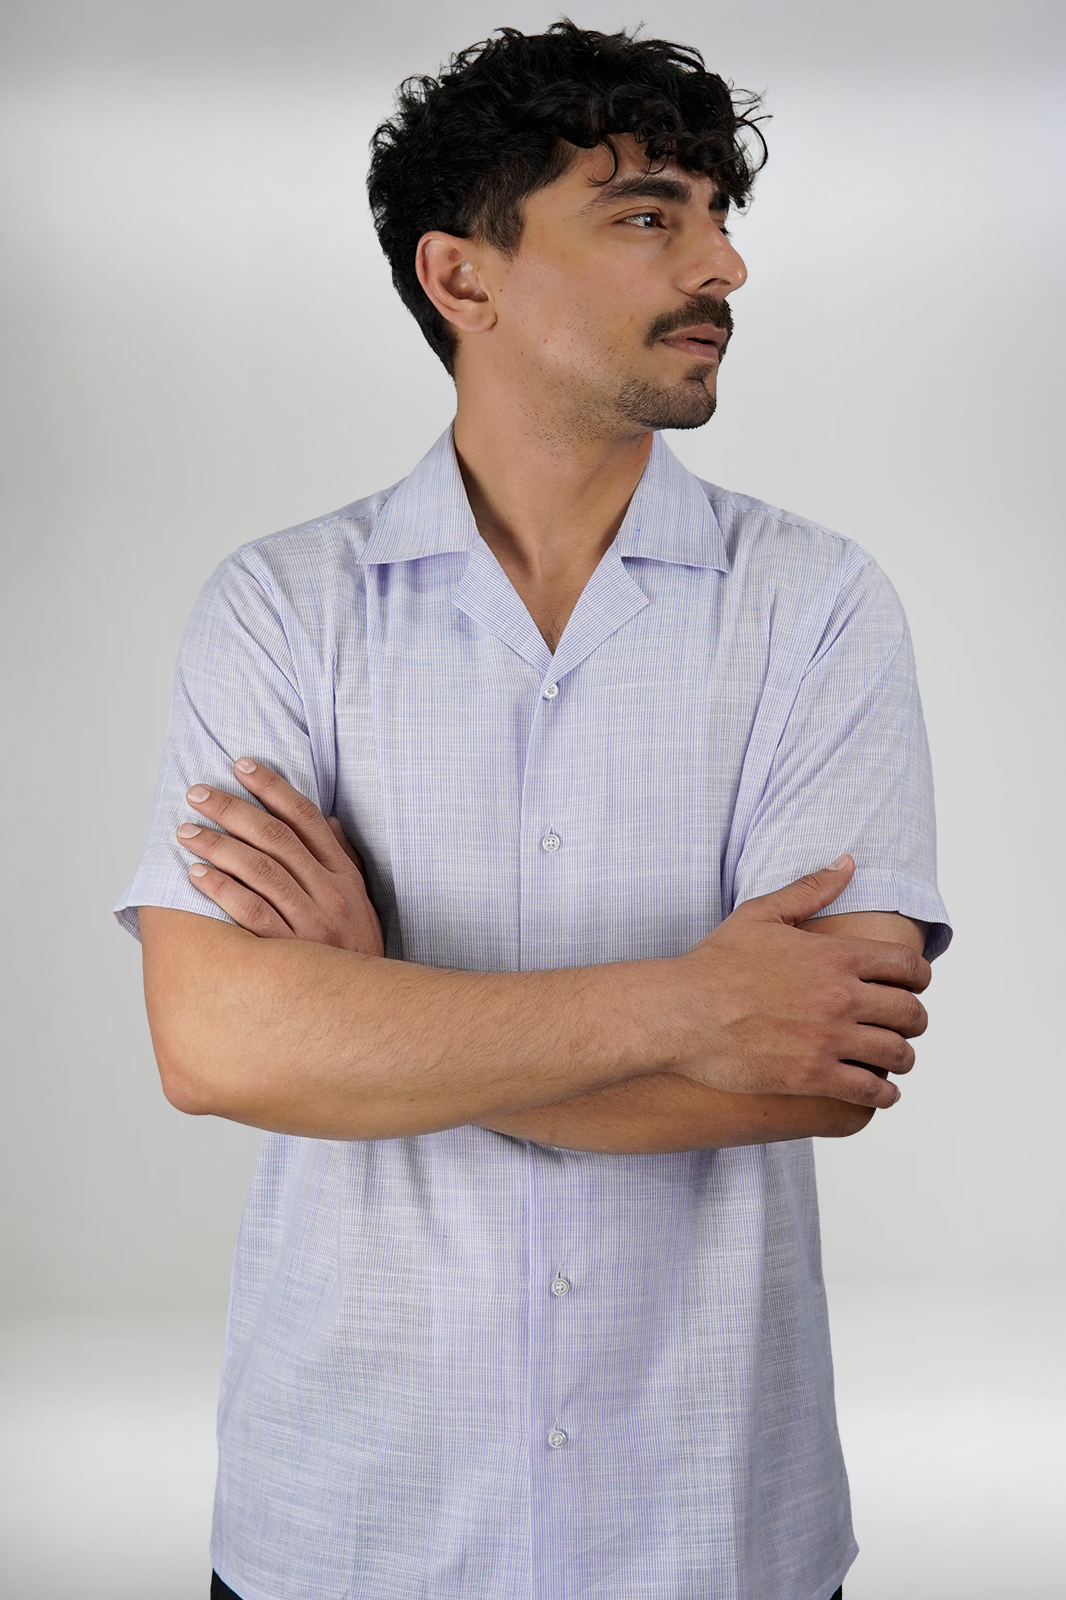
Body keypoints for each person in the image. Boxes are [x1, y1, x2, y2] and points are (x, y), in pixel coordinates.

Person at [117, 21, 951, 1600]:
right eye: (646, 213)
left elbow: (820, 1066)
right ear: (462, 276)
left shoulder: (816, 604)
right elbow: (216, 1047)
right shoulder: (282, 608)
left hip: (705, 1527)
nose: (722, 266)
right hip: (348, 1522)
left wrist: (367, 1007)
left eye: (717, 215)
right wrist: (694, 1005)